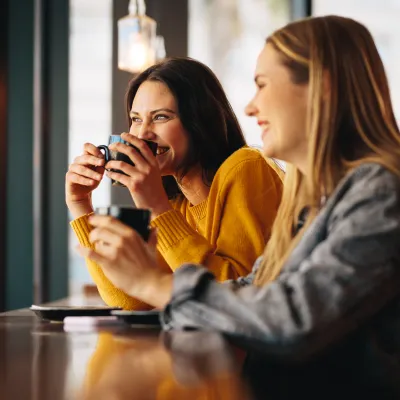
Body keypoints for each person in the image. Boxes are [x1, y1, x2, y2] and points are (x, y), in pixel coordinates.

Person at [78, 16, 400, 393]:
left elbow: (293, 318)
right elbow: (253, 289)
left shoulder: (380, 193)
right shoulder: (320, 197)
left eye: (262, 85)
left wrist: (155, 282)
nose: (249, 107)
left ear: (321, 90)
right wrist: (87, 214)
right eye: (135, 119)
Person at [66, 57, 283, 310]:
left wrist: (156, 205)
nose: (142, 134)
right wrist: (81, 206)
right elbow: (133, 299)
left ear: (199, 121)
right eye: (136, 119)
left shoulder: (246, 167)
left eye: (160, 117)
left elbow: (230, 299)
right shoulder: (178, 203)